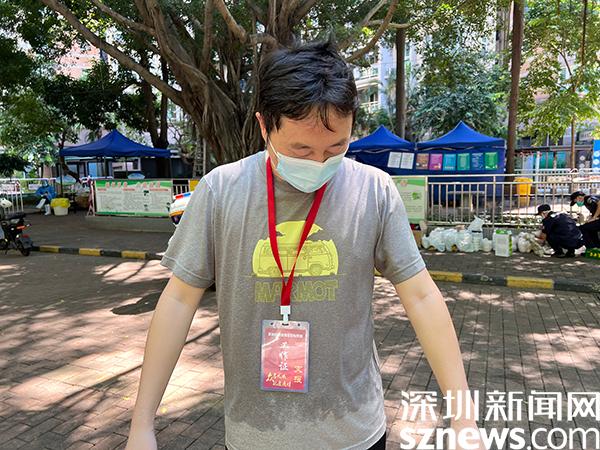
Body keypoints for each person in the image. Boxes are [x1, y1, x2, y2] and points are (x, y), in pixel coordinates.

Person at [125, 39, 481, 450]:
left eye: (336, 147)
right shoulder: (221, 191)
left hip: (355, 433)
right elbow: (178, 300)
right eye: (301, 149)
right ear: (264, 126)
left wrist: (463, 417)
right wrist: (142, 425)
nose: (319, 162)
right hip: (255, 436)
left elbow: (421, 296)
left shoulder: (373, 190)